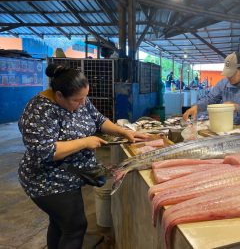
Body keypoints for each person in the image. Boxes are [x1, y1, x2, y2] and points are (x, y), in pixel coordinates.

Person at [18, 64, 148, 249]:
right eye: (77, 100)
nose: (82, 103)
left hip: (69, 177)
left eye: (84, 98)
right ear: (59, 95)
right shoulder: (39, 111)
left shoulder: (80, 99)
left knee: (59, 224)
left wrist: (124, 132)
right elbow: (45, 150)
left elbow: (99, 120)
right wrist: (85, 142)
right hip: (46, 180)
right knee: (75, 228)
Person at [183, 52, 240, 129]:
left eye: (232, 74)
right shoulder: (223, 83)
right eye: (227, 74)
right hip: (226, 130)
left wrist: (237, 108)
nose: (228, 77)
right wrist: (197, 106)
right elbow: (210, 98)